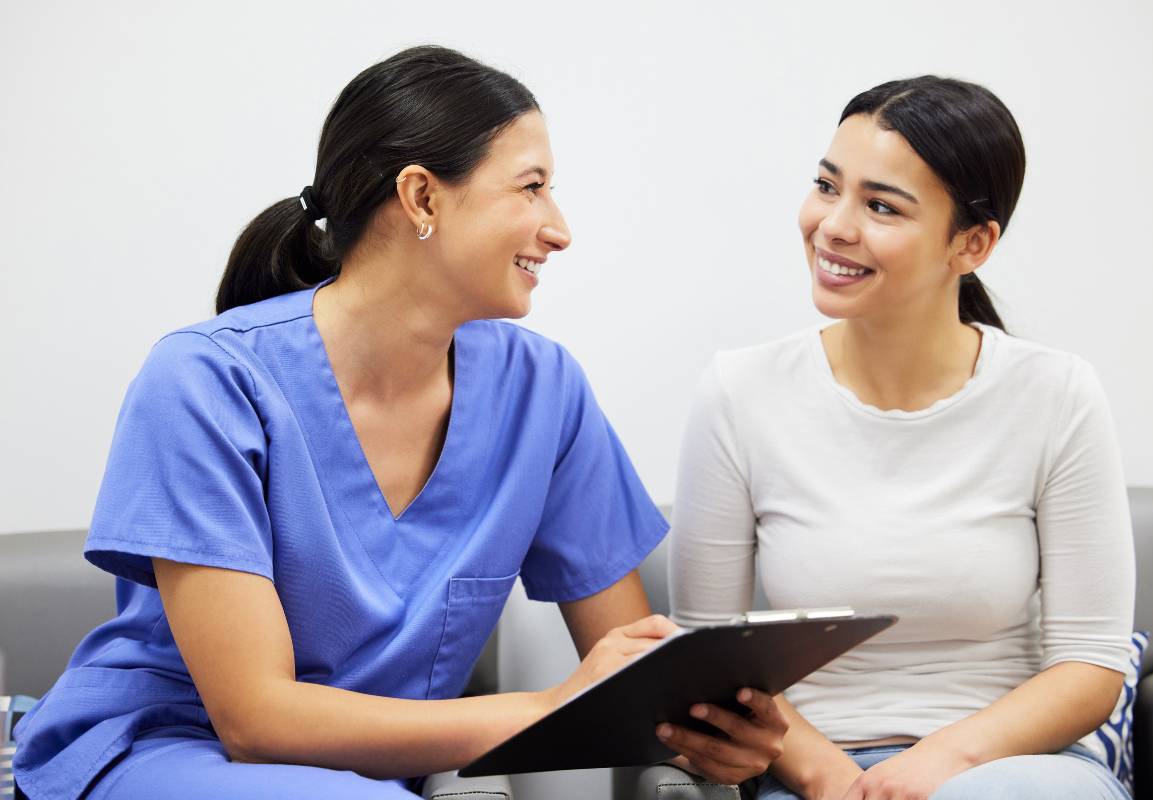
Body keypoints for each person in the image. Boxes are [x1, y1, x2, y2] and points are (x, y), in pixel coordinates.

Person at [12, 46, 786, 800]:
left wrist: (705, 731)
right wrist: (547, 708)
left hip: (374, 776)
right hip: (171, 750)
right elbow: (252, 720)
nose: (559, 228)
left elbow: (627, 673)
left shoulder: (540, 389)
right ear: (421, 197)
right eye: (531, 187)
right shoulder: (207, 382)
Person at [668, 76, 1135, 800]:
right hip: (814, 772)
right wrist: (833, 780)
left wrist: (941, 764)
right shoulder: (740, 393)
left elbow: (1089, 666)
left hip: (1009, 772)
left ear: (972, 244)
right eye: (828, 186)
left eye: (881, 205)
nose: (833, 226)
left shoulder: (1057, 394)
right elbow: (708, 658)